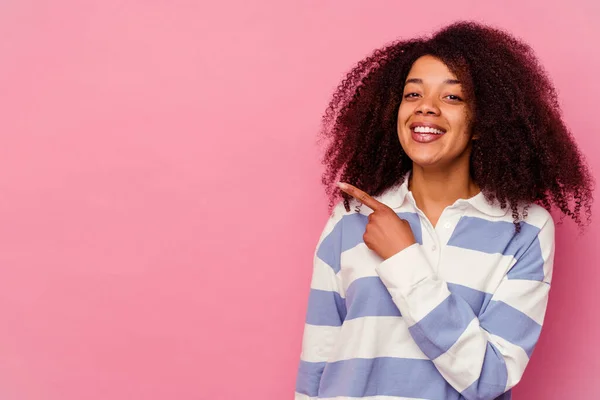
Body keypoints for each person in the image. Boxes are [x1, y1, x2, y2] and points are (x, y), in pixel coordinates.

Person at [294, 21, 593, 400]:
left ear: (483, 122)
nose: (427, 108)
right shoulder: (351, 217)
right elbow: (317, 362)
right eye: (412, 94)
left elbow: (488, 379)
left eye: (453, 98)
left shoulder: (525, 229)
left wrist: (403, 258)